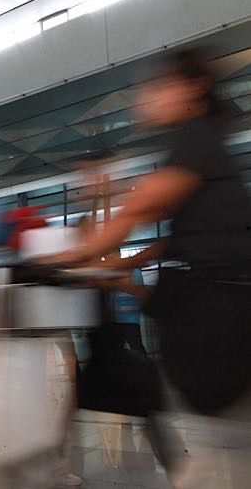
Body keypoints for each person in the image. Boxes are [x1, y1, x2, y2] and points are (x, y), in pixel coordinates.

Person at [50, 50, 251, 486]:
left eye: (157, 88)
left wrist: (59, 260)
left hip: (216, 326)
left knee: (223, 445)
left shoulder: (197, 140)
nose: (144, 99)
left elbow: (138, 210)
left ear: (192, 88)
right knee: (223, 441)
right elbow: (158, 227)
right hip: (212, 319)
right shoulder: (198, 141)